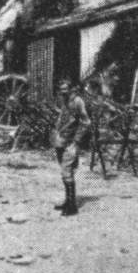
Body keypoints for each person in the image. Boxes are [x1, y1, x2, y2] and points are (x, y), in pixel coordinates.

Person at [53, 80, 91, 217]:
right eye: (61, 89)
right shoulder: (64, 100)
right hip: (61, 139)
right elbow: (62, 117)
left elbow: (86, 122)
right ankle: (68, 201)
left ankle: (72, 206)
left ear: (71, 89)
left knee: (67, 170)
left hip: (71, 142)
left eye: (65, 89)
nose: (63, 92)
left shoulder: (78, 101)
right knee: (65, 171)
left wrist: (77, 140)